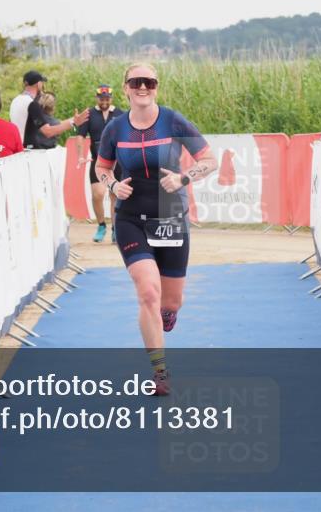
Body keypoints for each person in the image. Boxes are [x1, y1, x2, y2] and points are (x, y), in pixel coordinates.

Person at [94, 63, 216, 395]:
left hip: (170, 214)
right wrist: (112, 185)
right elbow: (102, 167)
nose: (142, 87)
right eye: (136, 82)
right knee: (148, 292)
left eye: (149, 82)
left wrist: (183, 177)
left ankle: (167, 314)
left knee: (170, 303)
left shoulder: (173, 120)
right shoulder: (115, 129)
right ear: (126, 88)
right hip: (130, 216)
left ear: (157, 86)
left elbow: (209, 160)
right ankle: (160, 373)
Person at [76, 84, 124, 243]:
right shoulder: (89, 114)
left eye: (107, 98)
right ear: (97, 98)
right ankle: (101, 225)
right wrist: (80, 155)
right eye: (101, 98)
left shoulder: (120, 114)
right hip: (98, 161)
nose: (104, 101)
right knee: (97, 194)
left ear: (111, 98)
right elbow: (80, 136)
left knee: (115, 195)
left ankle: (116, 230)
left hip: (117, 161)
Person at [22, 79, 89, 149]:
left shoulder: (33, 115)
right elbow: (51, 130)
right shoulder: (52, 122)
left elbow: (59, 124)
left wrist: (74, 120)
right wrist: (74, 122)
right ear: (53, 107)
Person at [8, 70, 44, 138]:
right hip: (27, 146)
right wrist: (70, 122)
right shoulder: (31, 103)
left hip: (15, 143)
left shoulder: (15, 100)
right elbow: (47, 131)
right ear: (39, 84)